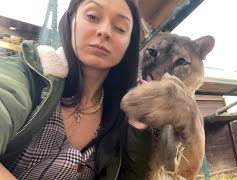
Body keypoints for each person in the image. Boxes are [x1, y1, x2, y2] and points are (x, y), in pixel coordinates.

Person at [0, 0, 151, 179]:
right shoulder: (29, 74)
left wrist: (137, 130)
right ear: (71, 19)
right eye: (92, 16)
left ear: (129, 45)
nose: (104, 31)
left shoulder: (119, 112)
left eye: (120, 28)